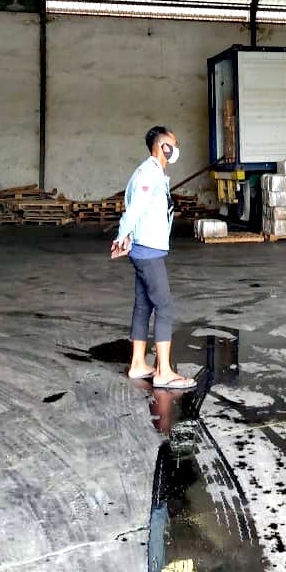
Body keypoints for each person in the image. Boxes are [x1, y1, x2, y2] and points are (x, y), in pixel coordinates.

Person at [111, 126, 195, 390]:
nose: (176, 149)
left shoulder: (153, 171)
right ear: (162, 147)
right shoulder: (149, 173)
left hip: (145, 247)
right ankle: (164, 371)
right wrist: (121, 236)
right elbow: (134, 209)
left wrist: (127, 237)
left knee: (144, 305)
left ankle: (138, 363)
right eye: (173, 144)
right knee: (165, 306)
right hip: (147, 251)